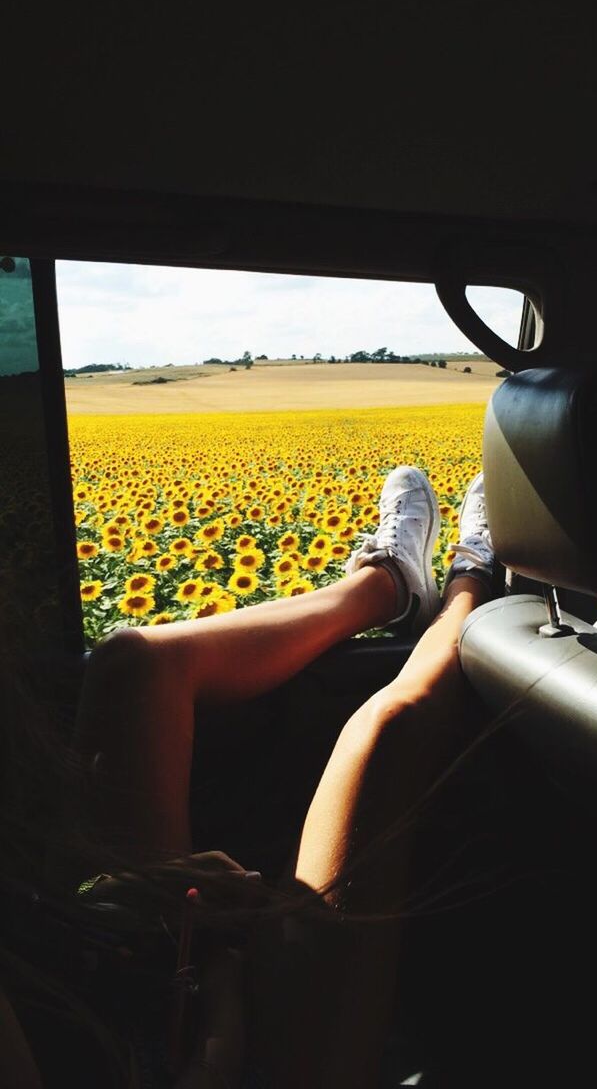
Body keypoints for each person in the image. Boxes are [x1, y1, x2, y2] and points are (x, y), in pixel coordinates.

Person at [3, 467, 495, 1089]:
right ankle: (474, 584)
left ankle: (386, 585)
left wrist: (111, 894)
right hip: (191, 1054)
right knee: (383, 736)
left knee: (132, 664)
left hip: (77, 970)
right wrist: (219, 1017)